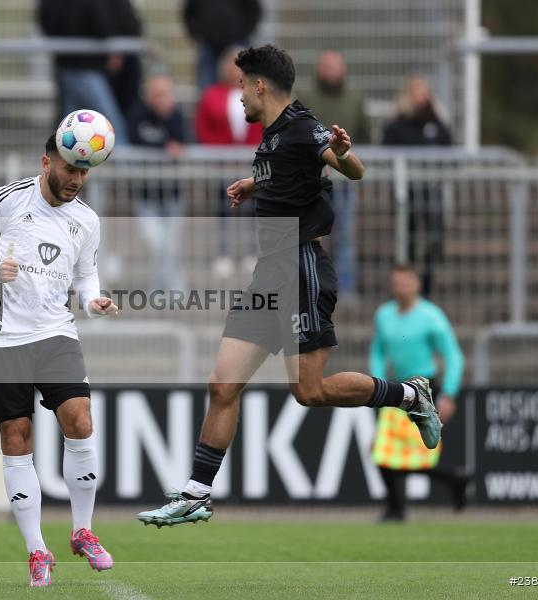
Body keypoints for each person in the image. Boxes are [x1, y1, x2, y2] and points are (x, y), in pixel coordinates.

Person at [137, 45, 442, 527]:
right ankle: (197, 493)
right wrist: (251, 183)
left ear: (260, 85)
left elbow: (350, 168)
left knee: (310, 391)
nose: (237, 95)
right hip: (269, 272)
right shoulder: (273, 135)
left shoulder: (302, 125)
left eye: (242, 85)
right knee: (221, 385)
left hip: (300, 265)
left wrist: (342, 153)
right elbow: (286, 170)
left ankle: (408, 395)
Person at [0, 133, 119, 587]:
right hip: (3, 336)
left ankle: (82, 530)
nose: (77, 179)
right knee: (15, 432)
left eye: (84, 172)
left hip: (55, 331)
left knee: (79, 420)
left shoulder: (87, 221)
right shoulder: (6, 200)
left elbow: (87, 277)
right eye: (70, 169)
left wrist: (95, 300)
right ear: (47, 162)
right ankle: (36, 550)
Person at [370, 264, 469, 521]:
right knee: (385, 452)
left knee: (412, 452)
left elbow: (453, 357)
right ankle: (402, 504)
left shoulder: (431, 316)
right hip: (394, 389)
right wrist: (377, 382)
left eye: (406, 283)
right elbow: (378, 351)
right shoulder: (384, 315)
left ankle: (398, 507)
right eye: (397, 284)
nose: (401, 289)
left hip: (424, 388)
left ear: (417, 285)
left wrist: (448, 393)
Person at [297, 50, 370, 299]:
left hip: (345, 182)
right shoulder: (305, 98)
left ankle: (345, 289)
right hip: (311, 182)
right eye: (326, 66)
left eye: (334, 66)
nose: (330, 71)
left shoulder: (354, 100)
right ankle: (310, 287)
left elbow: (365, 136)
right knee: (310, 235)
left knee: (345, 235)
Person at [194, 45, 263, 279]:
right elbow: (203, 127)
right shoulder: (212, 94)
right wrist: (219, 154)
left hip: (252, 165)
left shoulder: (259, 94)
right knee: (222, 210)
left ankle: (252, 253)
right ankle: (222, 253)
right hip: (221, 165)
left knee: (253, 210)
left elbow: (264, 125)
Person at [382, 76, 452, 295]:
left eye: (423, 91)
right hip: (407, 192)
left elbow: (449, 149)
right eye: (415, 92)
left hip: (431, 190)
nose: (420, 97)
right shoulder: (396, 124)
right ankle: (408, 289)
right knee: (408, 241)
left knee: (433, 238)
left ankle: (427, 287)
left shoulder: (437, 123)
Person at [37, 0, 131, 145]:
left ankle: (67, 165)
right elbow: (99, 19)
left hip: (70, 64)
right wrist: (110, 41)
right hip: (85, 67)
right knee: (108, 125)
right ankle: (125, 165)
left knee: (70, 129)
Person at [128, 73, 188, 291]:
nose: (162, 98)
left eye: (166, 93)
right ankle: (167, 285)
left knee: (170, 245)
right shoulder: (138, 114)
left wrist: (168, 117)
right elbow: (136, 141)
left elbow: (181, 142)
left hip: (172, 194)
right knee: (156, 242)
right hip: (146, 195)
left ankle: (168, 286)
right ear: (148, 96)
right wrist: (164, 147)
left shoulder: (176, 114)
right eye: (157, 94)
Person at [183, 0, 262, 93]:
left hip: (237, 43)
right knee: (207, 87)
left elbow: (254, 10)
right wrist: (196, 32)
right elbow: (189, 12)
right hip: (209, 44)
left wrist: (244, 33)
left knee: (242, 87)